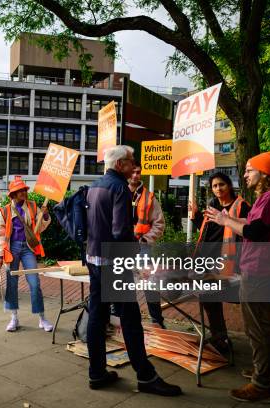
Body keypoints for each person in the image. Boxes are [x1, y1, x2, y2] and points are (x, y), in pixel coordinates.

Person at [85, 145, 181, 396]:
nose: (134, 164)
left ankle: (96, 373)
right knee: (130, 319)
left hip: (94, 259)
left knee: (97, 316)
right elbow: (119, 232)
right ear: (120, 165)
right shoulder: (120, 188)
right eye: (131, 161)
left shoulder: (95, 186)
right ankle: (146, 377)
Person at [206, 151, 270, 403]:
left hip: (259, 270)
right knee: (267, 322)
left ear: (263, 173)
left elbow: (255, 230)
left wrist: (225, 220)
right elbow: (253, 221)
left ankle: (260, 385)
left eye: (250, 170)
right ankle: (268, 370)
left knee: (257, 327)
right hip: (267, 269)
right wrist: (227, 219)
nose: (245, 174)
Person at [190, 172, 250, 354]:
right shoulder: (212, 204)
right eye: (215, 186)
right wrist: (195, 218)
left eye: (221, 185)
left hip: (227, 262)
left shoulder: (242, 206)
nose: (218, 189)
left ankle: (221, 338)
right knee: (208, 298)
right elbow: (207, 230)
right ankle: (220, 338)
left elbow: (247, 233)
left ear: (229, 185)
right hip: (206, 260)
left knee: (219, 298)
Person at [0, 178, 53, 332]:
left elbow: (40, 228)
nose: (24, 192)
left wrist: (45, 216)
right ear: (13, 194)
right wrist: (0, 256)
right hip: (11, 248)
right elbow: (0, 234)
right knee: (11, 283)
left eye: (25, 190)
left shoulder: (33, 206)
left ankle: (42, 318)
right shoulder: (6, 210)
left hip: (28, 248)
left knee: (35, 283)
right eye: (20, 191)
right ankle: (14, 318)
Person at [128, 164, 166, 328]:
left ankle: (157, 321)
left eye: (138, 172)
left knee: (149, 284)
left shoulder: (149, 197)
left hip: (142, 247)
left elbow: (159, 224)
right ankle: (119, 319)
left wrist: (145, 239)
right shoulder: (117, 193)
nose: (136, 175)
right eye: (133, 172)